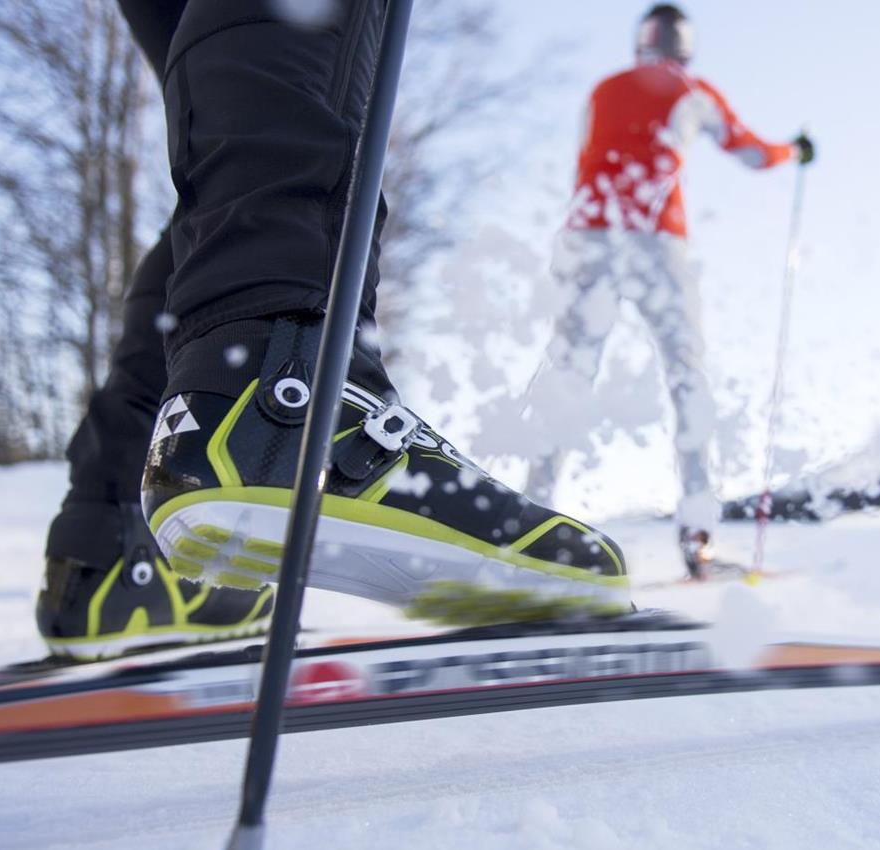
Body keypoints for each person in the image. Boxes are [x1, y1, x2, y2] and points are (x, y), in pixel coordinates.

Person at [35, 0, 630, 662]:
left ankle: (118, 549)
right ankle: (285, 395)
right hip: (283, 382)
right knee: (279, 80)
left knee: (240, 138)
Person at [522, 3, 813, 580]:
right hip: (657, 242)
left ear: (640, 42)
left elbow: (584, 156)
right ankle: (697, 539)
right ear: (685, 45)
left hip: (587, 237)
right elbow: (752, 152)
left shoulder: (603, 89)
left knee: (568, 375)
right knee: (687, 377)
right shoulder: (693, 90)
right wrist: (794, 151)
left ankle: (528, 526)